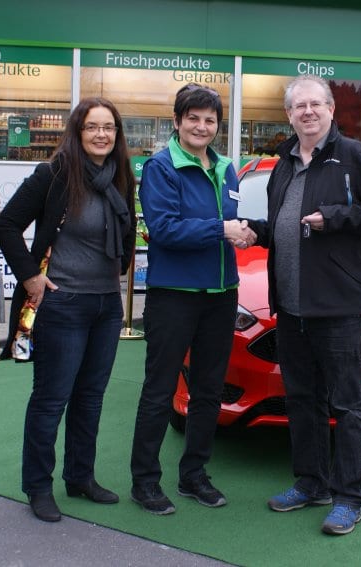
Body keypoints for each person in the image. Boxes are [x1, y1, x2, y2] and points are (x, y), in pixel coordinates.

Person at [245, 75, 361, 535]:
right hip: (292, 307)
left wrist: (336, 218)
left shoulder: (354, 156)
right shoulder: (282, 165)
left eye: (317, 104)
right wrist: (255, 229)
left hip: (339, 308)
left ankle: (349, 496)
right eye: (300, 106)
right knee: (302, 400)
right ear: (290, 115)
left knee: (348, 404)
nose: (308, 112)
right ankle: (310, 482)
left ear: (332, 110)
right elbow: (284, 225)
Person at [0, 97, 136, 522]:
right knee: (51, 398)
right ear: (77, 132)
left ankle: (80, 478)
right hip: (63, 304)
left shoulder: (121, 177)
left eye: (108, 127)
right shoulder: (53, 174)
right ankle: (38, 486)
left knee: (90, 398)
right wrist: (32, 278)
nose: (101, 135)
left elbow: (126, 228)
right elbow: (5, 224)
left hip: (106, 305)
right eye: (92, 127)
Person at [129, 84, 253, 515]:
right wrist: (222, 229)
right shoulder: (161, 168)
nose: (202, 127)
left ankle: (193, 475)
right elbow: (163, 229)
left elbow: (230, 224)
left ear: (218, 126)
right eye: (193, 118)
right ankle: (144, 481)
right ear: (177, 121)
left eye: (210, 120)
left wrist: (243, 232)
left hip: (221, 296)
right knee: (159, 390)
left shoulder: (227, 169)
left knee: (208, 391)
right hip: (173, 296)